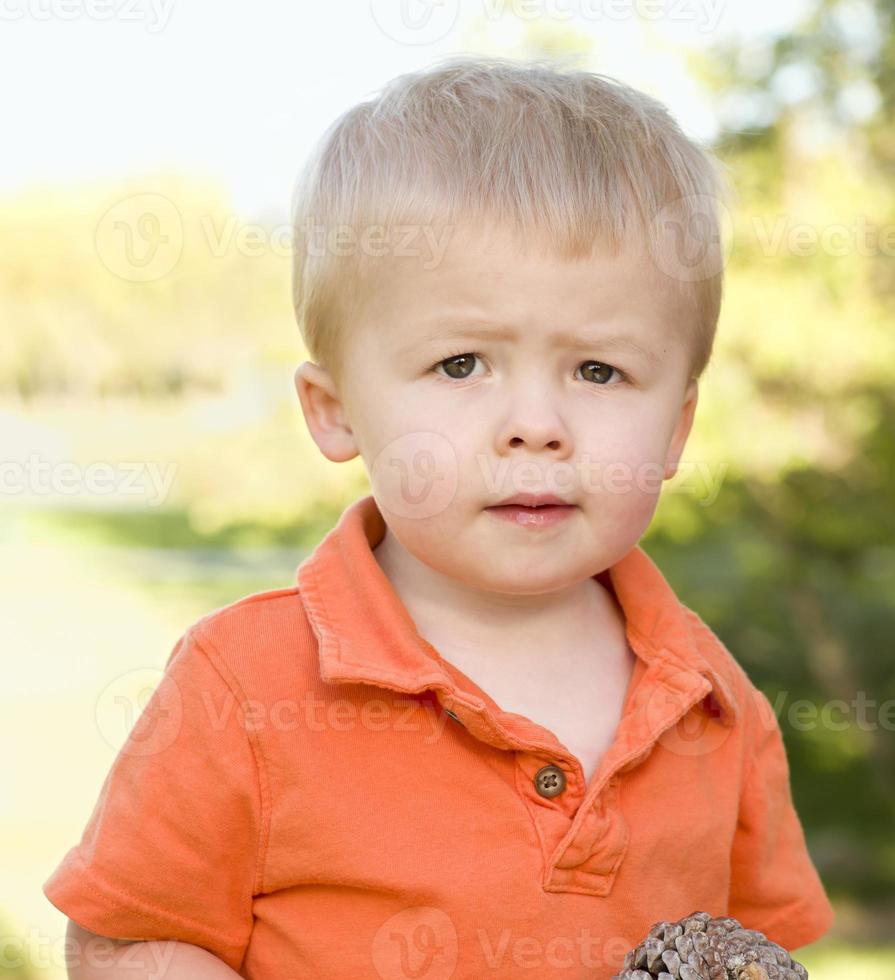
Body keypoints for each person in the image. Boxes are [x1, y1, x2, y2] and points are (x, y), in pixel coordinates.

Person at [43, 56, 834, 979]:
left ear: (677, 426)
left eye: (598, 371)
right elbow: (127, 937)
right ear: (334, 410)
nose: (534, 426)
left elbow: (754, 951)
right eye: (461, 364)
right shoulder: (243, 686)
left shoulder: (712, 701)